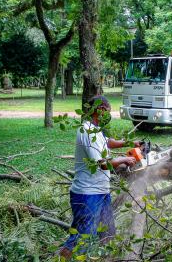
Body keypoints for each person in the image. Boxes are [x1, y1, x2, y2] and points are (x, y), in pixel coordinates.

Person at [59, 96, 138, 260]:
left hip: (101, 192)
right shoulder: (86, 131)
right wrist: (124, 159)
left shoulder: (96, 130)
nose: (108, 116)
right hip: (87, 194)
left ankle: (107, 258)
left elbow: (108, 142)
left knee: (107, 233)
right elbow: (102, 164)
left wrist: (129, 142)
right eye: (107, 112)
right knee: (80, 239)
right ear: (100, 109)